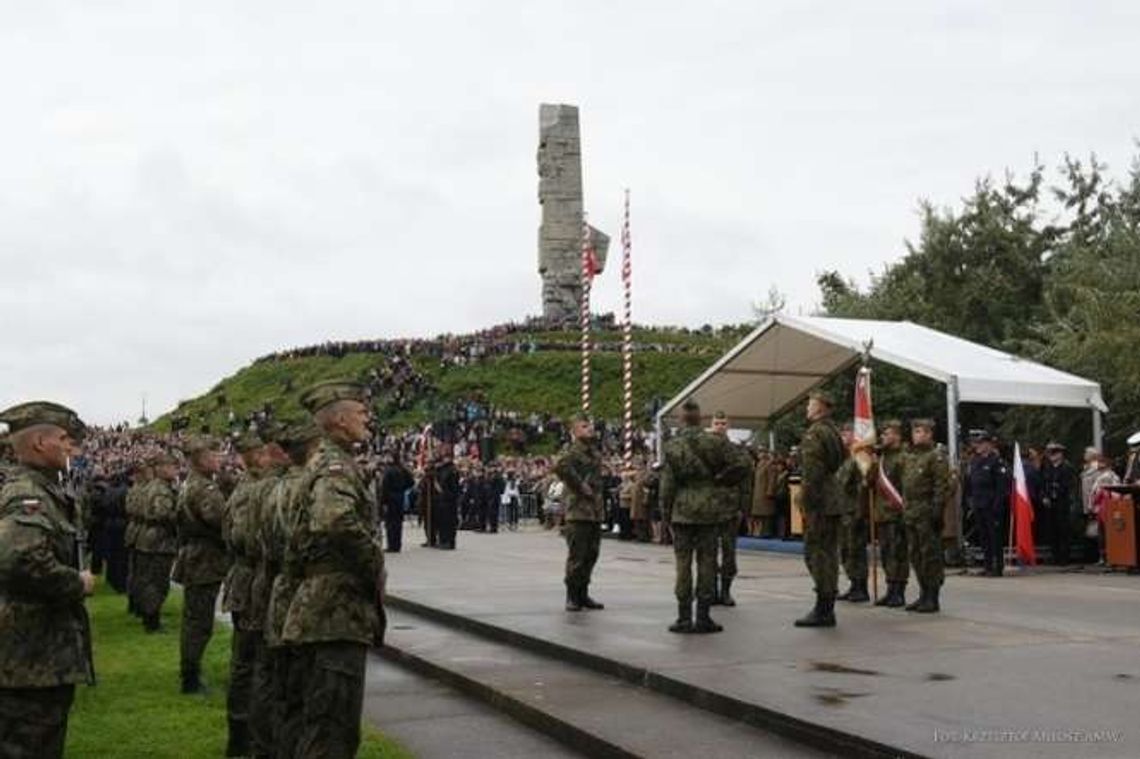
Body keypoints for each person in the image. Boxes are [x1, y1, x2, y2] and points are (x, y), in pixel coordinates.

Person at [282, 380, 385, 758]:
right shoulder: (335, 465)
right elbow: (334, 519)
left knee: (319, 725)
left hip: (322, 609)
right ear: (340, 420)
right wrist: (373, 560)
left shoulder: (324, 461)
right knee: (332, 733)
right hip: (334, 613)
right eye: (360, 412)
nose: (367, 418)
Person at [0, 401, 96, 759]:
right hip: (30, 656)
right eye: (63, 438)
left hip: (37, 651)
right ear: (40, 442)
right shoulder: (28, 493)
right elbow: (18, 557)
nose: (70, 446)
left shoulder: (41, 487)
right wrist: (76, 582)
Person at [660, 400, 751, 634]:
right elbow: (743, 464)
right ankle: (703, 616)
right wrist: (721, 480)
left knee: (683, 564)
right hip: (711, 511)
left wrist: (665, 514)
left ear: (681, 419)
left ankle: (683, 617)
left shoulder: (673, 446)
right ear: (701, 419)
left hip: (682, 511)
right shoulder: (714, 442)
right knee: (707, 563)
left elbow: (667, 486)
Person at [263, 419, 323, 757]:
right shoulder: (306, 487)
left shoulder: (277, 489)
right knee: (301, 693)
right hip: (302, 592)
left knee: (284, 689)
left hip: (281, 586)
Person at [222, 431, 271, 756]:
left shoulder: (245, 488)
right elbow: (253, 540)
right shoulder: (254, 490)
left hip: (246, 578)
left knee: (246, 662)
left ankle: (241, 735)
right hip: (254, 581)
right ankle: (249, 737)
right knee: (254, 664)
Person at [174, 435, 229, 694]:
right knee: (199, 623)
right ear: (203, 459)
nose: (220, 459)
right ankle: (191, 678)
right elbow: (220, 521)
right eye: (215, 455)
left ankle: (190, 672)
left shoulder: (189, 484)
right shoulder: (204, 488)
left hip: (195, 555)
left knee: (193, 620)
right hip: (205, 559)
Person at [794, 390, 849, 628]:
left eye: (810, 404)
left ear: (821, 408)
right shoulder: (833, 431)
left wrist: (805, 501)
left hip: (820, 502)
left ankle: (824, 607)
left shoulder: (815, 433)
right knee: (828, 553)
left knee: (817, 554)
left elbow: (812, 473)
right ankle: (827, 604)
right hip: (832, 498)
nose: (807, 408)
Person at [552, 414, 606, 612]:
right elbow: (559, 466)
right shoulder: (572, 451)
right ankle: (572, 595)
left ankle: (583, 593)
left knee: (592, 554)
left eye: (589, 425)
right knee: (577, 555)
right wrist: (580, 485)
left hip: (593, 510)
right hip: (578, 510)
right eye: (583, 426)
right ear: (574, 431)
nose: (589, 428)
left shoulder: (594, 452)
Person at [901, 419, 950, 613]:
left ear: (930, 434)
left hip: (927, 513)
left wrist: (937, 511)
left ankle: (932, 596)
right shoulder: (910, 458)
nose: (917, 435)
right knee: (916, 555)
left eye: (921, 432)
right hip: (911, 513)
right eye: (915, 432)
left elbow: (941, 487)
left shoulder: (935, 457)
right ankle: (923, 593)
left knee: (930, 555)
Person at [134, 452, 179, 633]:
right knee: (157, 583)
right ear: (160, 469)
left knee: (150, 581)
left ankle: (149, 617)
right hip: (159, 541)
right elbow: (163, 514)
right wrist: (181, 515)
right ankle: (152, 622)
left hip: (150, 538)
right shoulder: (161, 489)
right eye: (171, 466)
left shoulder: (153, 486)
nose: (175, 470)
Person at [709, 411, 746, 607]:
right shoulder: (703, 449)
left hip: (730, 508)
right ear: (711, 424)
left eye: (723, 423)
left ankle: (725, 591)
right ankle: (712, 590)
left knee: (729, 552)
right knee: (708, 552)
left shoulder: (736, 450)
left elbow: (745, 480)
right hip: (709, 508)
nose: (720, 426)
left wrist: (743, 508)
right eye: (717, 423)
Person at [871, 420, 909, 608]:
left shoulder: (903, 458)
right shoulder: (882, 458)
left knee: (898, 554)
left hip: (897, 513)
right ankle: (890, 589)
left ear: (896, 435)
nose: (882, 437)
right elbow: (870, 482)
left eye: (887, 434)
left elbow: (907, 487)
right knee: (886, 553)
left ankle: (899, 591)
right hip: (882, 513)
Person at [963, 430, 1009, 577]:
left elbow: (1001, 487)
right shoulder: (975, 461)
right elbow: (970, 482)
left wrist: (997, 505)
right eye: (977, 444)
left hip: (992, 506)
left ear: (989, 445)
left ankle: (997, 566)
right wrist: (970, 501)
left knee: (994, 537)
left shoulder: (996, 462)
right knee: (983, 537)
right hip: (979, 504)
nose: (978, 446)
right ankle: (987, 565)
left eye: (981, 444)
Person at [835, 423, 870, 603]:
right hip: (842, 510)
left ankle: (861, 587)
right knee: (846, 550)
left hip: (854, 510)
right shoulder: (844, 458)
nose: (843, 436)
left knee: (856, 550)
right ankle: (853, 584)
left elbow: (863, 487)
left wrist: (860, 511)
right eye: (842, 433)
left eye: (846, 433)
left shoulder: (860, 458)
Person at [1039, 442, 1077, 566]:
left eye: (1055, 453)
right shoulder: (1047, 467)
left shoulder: (1067, 468)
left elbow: (1070, 486)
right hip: (1050, 502)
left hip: (1062, 502)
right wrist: (1044, 496)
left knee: (1063, 530)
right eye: (1051, 453)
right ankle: (1055, 556)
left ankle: (1064, 558)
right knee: (1052, 530)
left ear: (1061, 454)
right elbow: (1043, 484)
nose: (1052, 456)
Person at [379, 455, 413, 552]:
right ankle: (397, 544)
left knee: (390, 523)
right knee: (398, 522)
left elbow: (384, 487)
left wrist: (383, 501)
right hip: (400, 497)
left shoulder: (388, 471)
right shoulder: (403, 470)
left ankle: (392, 545)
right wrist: (402, 488)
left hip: (390, 498)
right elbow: (411, 482)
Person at [431, 445, 461, 549]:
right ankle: (443, 540)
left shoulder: (452, 470)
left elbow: (453, 487)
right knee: (441, 522)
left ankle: (449, 541)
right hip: (441, 499)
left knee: (449, 522)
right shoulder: (442, 469)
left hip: (448, 499)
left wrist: (443, 491)